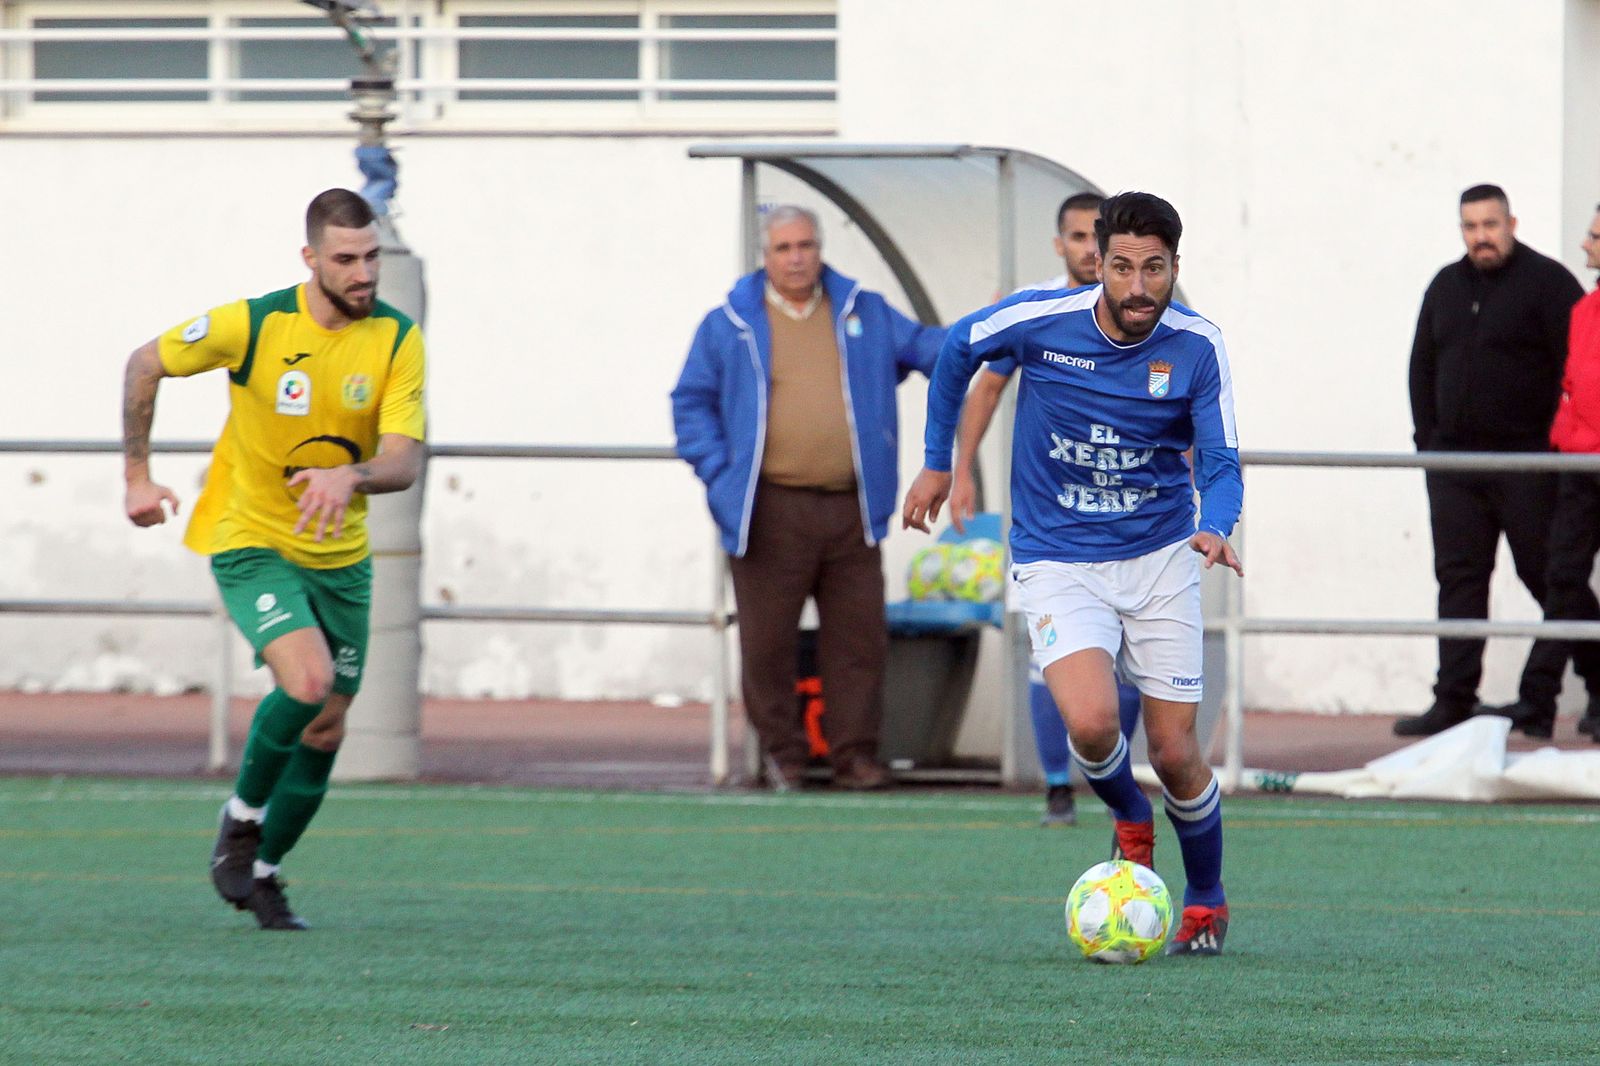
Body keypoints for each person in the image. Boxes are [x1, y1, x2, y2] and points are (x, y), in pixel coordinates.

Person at [903, 191, 1243, 956]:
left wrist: (1216, 525)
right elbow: (957, 351)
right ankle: (1129, 818)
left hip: (1160, 557)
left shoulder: (1197, 346)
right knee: (1090, 722)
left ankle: (1208, 898)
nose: (1137, 286)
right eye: (1121, 267)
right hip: (1057, 556)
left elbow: (1220, 459)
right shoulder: (1039, 321)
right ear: (1098, 265)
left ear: (1173, 268)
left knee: (1177, 752)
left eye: (1153, 269)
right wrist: (937, 463)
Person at [121, 188, 427, 930]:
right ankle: (241, 818)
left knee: (327, 726)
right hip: (251, 539)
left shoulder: (394, 338)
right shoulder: (254, 324)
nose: (363, 275)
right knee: (309, 680)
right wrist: (136, 474)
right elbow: (144, 363)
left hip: (341, 556)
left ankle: (263, 870)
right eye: (346, 260)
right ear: (311, 260)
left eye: (372, 258)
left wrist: (346, 476)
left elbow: (403, 461)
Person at [672, 204, 945, 791]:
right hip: (767, 508)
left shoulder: (862, 311)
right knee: (767, 644)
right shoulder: (728, 323)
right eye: (783, 248)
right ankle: (786, 757)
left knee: (859, 643)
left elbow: (930, 349)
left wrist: (991, 328)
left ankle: (855, 758)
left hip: (853, 507)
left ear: (821, 249)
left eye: (806, 246)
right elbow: (690, 402)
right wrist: (720, 476)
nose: (796, 258)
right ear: (765, 256)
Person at [948, 191, 1140, 827]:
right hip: (1051, 525)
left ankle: (1121, 787)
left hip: (1130, 519)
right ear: (1060, 245)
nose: (1090, 248)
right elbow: (987, 383)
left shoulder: (1143, 307)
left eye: (1098, 236)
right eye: (1078, 237)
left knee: (1129, 662)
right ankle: (1058, 785)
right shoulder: (1036, 312)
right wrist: (959, 470)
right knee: (1047, 653)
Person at [1399, 184, 1598, 737]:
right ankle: (1454, 699)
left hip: (1529, 465)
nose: (1480, 237)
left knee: (1552, 579)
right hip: (1456, 468)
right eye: (1470, 227)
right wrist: (1429, 446)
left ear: (1511, 222)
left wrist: (1553, 452)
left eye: (1490, 225)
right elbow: (1422, 366)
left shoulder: (1549, 284)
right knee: (1459, 581)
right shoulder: (1445, 285)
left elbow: (1580, 368)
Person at [1526, 203, 1600, 741]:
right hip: (1579, 466)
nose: (1585, 246)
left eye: (1594, 236)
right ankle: (1539, 699)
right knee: (1564, 580)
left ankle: (1538, 697)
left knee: (1564, 581)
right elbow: (1575, 388)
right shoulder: (1585, 309)